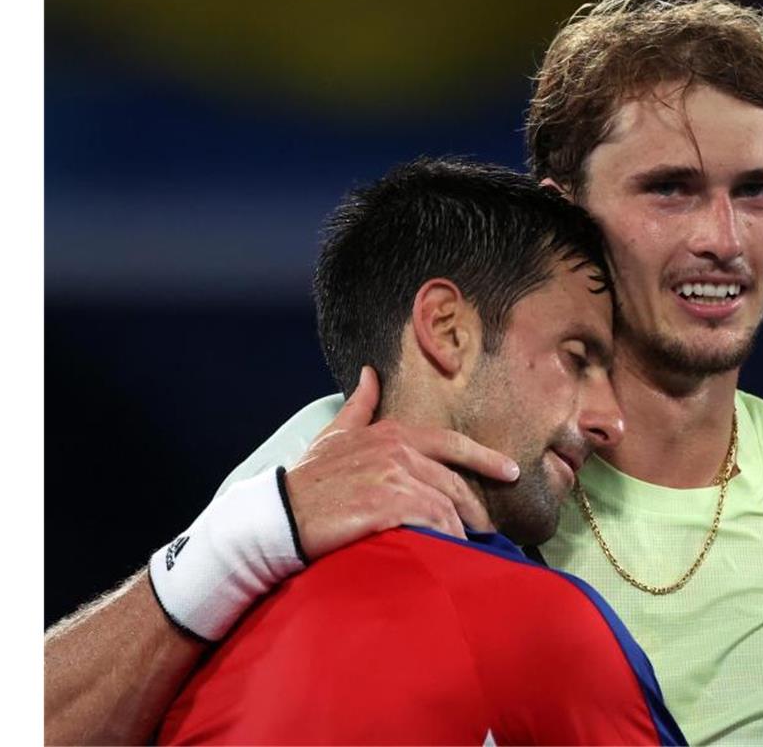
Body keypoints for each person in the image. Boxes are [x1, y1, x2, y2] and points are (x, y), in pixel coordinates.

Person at [44, 0, 763, 745]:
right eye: (671, 189)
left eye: (758, 191)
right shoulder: (355, 457)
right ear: (564, 211)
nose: (722, 238)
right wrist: (248, 538)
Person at [156, 158, 685, 744]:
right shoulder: (541, 628)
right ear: (447, 329)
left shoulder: (177, 678)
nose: (610, 420)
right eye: (577, 357)